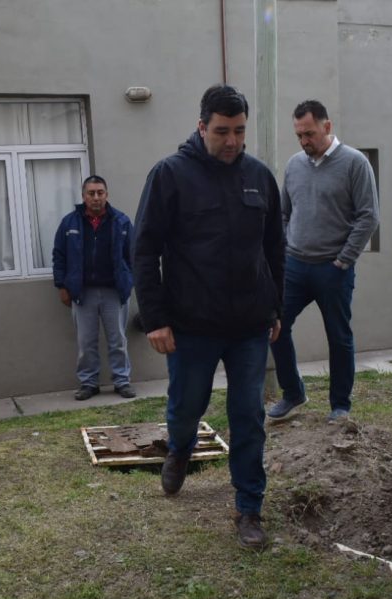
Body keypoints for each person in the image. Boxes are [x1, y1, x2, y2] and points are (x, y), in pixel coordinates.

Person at [133, 84, 284, 551]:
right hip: (192, 325)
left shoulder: (259, 176)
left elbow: (274, 248)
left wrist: (275, 307)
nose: (232, 141)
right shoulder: (170, 175)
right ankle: (179, 449)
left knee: (248, 416)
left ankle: (249, 508)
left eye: (239, 131)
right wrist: (155, 318)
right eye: (222, 131)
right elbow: (144, 249)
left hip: (248, 327)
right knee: (187, 408)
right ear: (201, 127)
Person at [268, 100, 379, 423]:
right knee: (275, 327)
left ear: (327, 127)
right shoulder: (294, 165)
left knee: (338, 336)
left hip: (334, 269)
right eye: (299, 135)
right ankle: (293, 392)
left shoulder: (355, 163)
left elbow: (368, 216)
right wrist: (287, 247)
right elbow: (284, 212)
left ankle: (339, 405)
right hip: (295, 266)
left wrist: (344, 260)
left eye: (309, 134)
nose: (304, 141)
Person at [52, 175, 136, 401]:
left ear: (107, 195)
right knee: (86, 341)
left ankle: (122, 381)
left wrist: (129, 281)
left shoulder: (122, 221)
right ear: (83, 196)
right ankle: (89, 383)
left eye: (100, 193)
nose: (96, 197)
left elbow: (134, 256)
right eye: (91, 193)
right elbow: (59, 256)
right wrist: (62, 285)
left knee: (118, 339)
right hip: (83, 293)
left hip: (114, 292)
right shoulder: (70, 223)